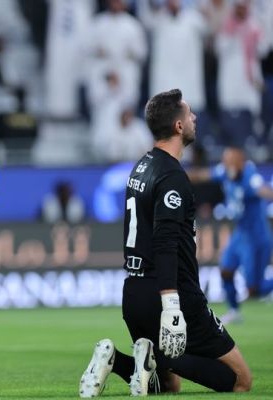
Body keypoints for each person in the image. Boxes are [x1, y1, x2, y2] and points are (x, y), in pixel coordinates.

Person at [79, 89, 251, 397]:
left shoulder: (142, 166)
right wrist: (172, 307)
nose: (194, 117)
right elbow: (165, 241)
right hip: (172, 294)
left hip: (134, 293)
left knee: (168, 385)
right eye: (189, 113)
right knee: (240, 381)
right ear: (179, 126)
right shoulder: (172, 176)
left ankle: (116, 359)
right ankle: (161, 358)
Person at [188, 147, 273, 324]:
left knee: (254, 290)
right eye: (225, 161)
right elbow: (203, 175)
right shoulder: (224, 171)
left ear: (241, 162)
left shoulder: (250, 176)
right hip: (240, 234)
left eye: (230, 161)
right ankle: (234, 311)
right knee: (226, 271)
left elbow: (262, 190)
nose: (226, 165)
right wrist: (175, 176)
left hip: (256, 237)